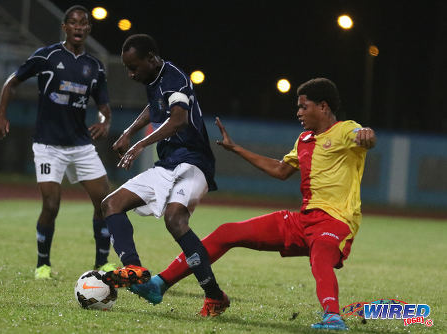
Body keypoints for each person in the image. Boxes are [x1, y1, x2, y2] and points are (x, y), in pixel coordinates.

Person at [128, 78, 376, 330]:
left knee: (320, 254)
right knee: (227, 233)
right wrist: (236, 149)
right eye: (298, 107)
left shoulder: (346, 130)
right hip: (304, 221)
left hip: (336, 221)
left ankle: (333, 317)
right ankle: (159, 285)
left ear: (323, 107)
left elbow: (363, 135)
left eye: (304, 106)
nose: (298, 112)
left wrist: (366, 134)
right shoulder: (304, 140)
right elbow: (280, 170)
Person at [99, 34, 229, 317]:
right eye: (127, 69)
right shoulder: (155, 80)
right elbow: (156, 107)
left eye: (134, 67)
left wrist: (139, 143)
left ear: (151, 58)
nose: (131, 74)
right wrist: (129, 131)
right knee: (111, 204)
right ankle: (133, 267)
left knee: (175, 219)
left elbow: (178, 119)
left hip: (194, 162)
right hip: (168, 163)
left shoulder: (174, 78)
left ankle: (214, 295)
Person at [0, 5, 115, 279]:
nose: (79, 27)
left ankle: (103, 263)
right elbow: (11, 82)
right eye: (73, 23)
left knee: (105, 203)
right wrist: (1, 116)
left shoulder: (95, 66)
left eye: (84, 23)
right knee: (51, 205)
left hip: (81, 145)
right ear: (65, 27)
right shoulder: (46, 56)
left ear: (88, 29)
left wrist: (105, 122)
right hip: (48, 146)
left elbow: (104, 106)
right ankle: (43, 265)